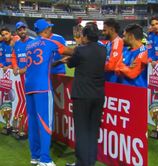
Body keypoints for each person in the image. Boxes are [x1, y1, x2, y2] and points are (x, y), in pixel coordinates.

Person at [25, 19, 73, 166]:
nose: (51, 31)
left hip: (28, 86)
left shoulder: (29, 45)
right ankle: (45, 160)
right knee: (45, 122)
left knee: (33, 123)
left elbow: (44, 62)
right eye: (49, 29)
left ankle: (35, 156)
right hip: (42, 87)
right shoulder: (49, 42)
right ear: (45, 31)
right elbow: (71, 51)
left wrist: (58, 62)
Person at [66, 24, 106, 166]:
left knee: (82, 131)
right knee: (93, 130)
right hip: (98, 95)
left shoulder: (80, 50)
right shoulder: (103, 49)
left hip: (82, 95)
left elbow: (70, 64)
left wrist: (77, 48)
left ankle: (82, 163)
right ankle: (90, 161)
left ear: (86, 36)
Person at [102, 18, 123, 82]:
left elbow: (111, 66)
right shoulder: (108, 43)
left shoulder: (118, 43)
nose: (103, 33)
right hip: (107, 77)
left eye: (105, 30)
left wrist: (97, 66)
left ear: (112, 29)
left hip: (113, 80)